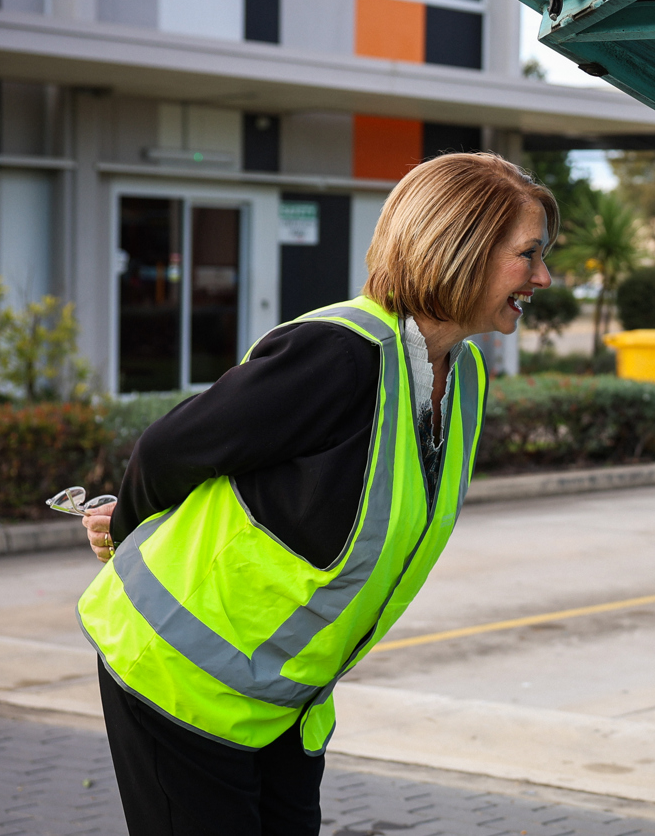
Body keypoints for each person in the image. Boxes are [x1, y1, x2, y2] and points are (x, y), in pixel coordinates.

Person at [76, 152, 555, 835]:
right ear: (461, 247)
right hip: (174, 681)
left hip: (282, 705)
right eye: (529, 254)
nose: (544, 276)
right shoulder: (338, 356)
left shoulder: (462, 375)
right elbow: (168, 450)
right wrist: (125, 533)